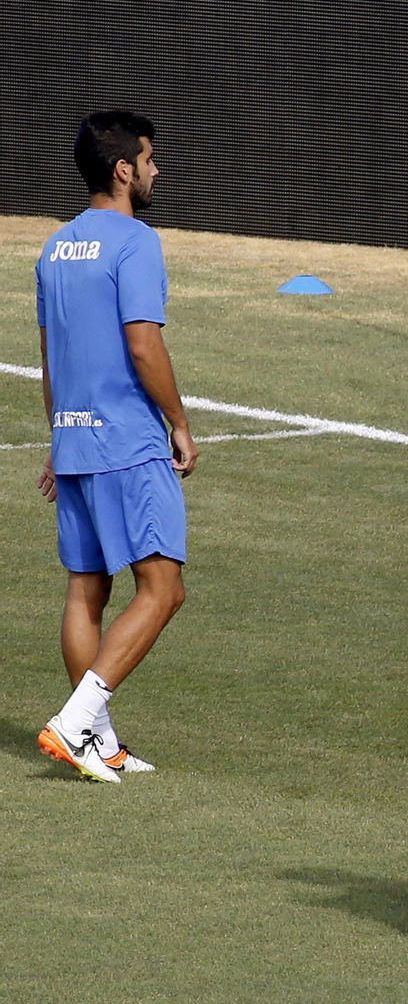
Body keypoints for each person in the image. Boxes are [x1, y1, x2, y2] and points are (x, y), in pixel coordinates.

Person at [34, 111, 196, 784]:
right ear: (124, 169)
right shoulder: (136, 242)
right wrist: (178, 421)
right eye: (150, 159)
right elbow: (142, 342)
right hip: (128, 441)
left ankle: (96, 743)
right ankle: (75, 724)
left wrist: (57, 437)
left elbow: (50, 355)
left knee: (86, 589)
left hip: (72, 440)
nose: (157, 170)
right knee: (163, 590)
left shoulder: (53, 248)